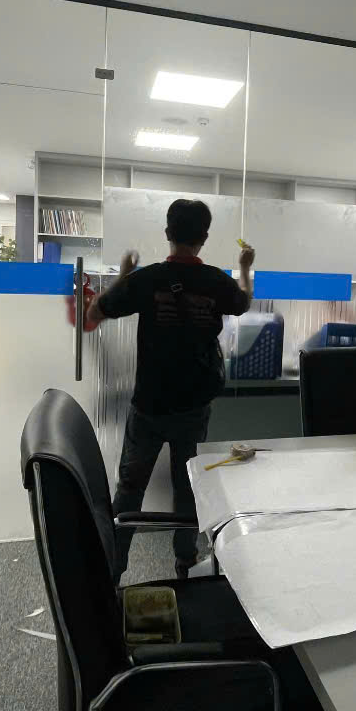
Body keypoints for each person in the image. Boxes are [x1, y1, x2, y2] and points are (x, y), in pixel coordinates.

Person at [88, 198, 255, 580]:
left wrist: (124, 273)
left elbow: (95, 313)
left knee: (129, 491)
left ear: (168, 233)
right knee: (187, 488)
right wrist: (245, 267)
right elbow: (243, 302)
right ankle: (186, 564)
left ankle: (111, 571)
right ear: (204, 238)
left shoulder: (147, 280)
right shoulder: (216, 281)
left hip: (148, 406)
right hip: (193, 409)